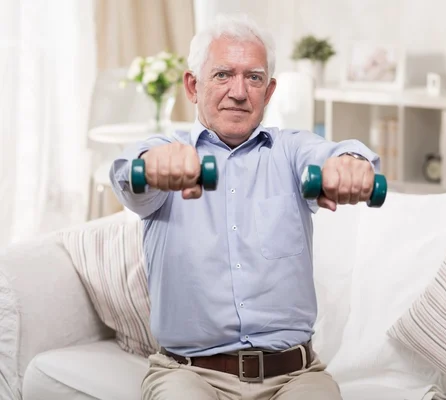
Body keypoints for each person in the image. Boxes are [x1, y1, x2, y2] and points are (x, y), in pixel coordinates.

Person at [110, 13, 380, 400]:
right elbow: (128, 173)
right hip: (189, 375)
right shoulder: (170, 153)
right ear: (192, 85)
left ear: (268, 92)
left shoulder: (292, 150)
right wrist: (155, 166)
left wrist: (350, 164)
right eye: (222, 75)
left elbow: (332, 155)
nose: (239, 91)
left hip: (294, 375)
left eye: (253, 78)